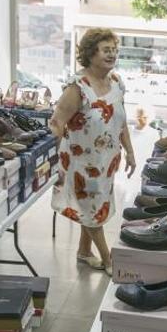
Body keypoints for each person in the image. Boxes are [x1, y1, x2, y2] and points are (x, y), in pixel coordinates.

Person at [49, 28, 137, 276]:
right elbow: (56, 123)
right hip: (80, 163)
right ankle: (108, 259)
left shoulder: (117, 83)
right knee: (92, 210)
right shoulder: (77, 88)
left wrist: (130, 152)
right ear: (90, 53)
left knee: (93, 206)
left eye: (114, 50)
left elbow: (121, 120)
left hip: (107, 161)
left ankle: (83, 252)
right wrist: (58, 159)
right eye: (106, 50)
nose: (112, 55)